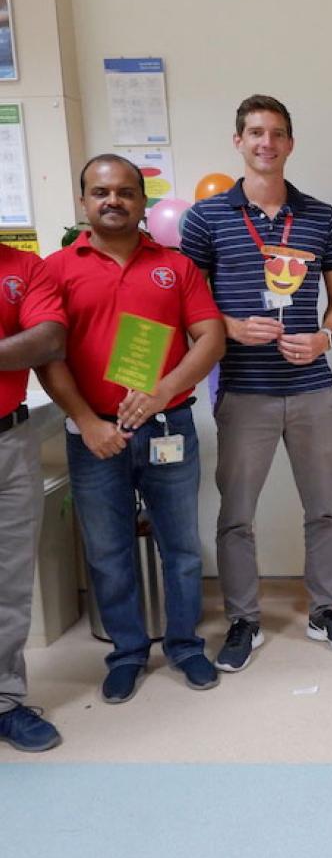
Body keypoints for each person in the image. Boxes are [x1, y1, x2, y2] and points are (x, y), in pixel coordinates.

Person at [182, 94, 332, 672]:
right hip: (243, 392)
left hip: (311, 387)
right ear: (238, 141)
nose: (266, 142)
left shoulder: (320, 217)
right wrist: (231, 327)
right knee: (237, 514)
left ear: (290, 143)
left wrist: (324, 339)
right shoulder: (206, 219)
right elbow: (186, 305)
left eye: (277, 133)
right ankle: (243, 620)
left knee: (325, 511)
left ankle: (325, 610)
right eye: (255, 132)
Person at [40, 155, 225, 703]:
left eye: (125, 192)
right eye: (101, 192)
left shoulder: (176, 265)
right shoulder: (56, 268)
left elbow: (210, 336)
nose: (113, 201)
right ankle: (125, 652)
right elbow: (49, 354)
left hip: (168, 426)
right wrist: (84, 421)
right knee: (108, 551)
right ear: (84, 201)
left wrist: (163, 391)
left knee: (182, 547)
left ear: (144, 202)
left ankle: (187, 646)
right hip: (95, 434)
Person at [0, 244, 65, 749]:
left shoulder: (23, 267)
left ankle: (4, 701)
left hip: (11, 443)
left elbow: (47, 339)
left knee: (9, 583)